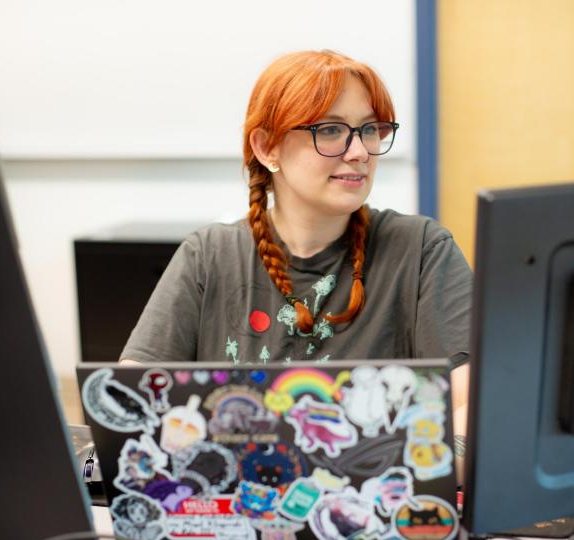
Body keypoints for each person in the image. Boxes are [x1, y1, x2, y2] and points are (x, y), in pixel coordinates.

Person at [119, 50, 471, 467]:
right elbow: (130, 405)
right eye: (331, 129)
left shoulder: (422, 249)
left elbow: (470, 407)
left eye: (371, 129)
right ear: (268, 147)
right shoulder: (208, 255)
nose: (360, 151)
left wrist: (430, 467)